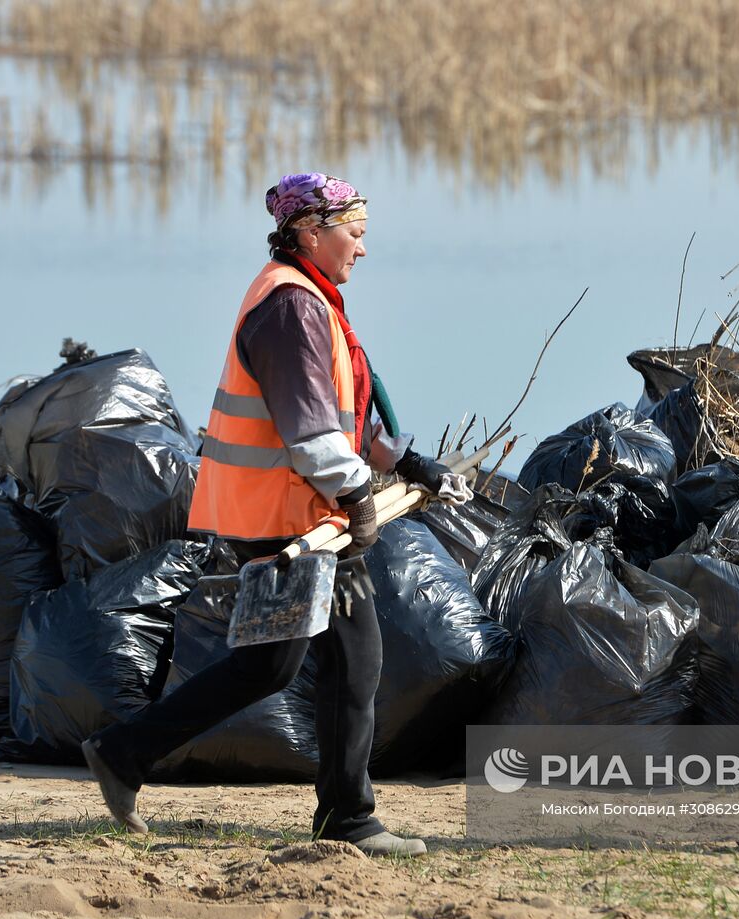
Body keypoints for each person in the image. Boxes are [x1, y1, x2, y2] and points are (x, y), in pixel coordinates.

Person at [81, 172, 469, 858]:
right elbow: (310, 434)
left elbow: (349, 414)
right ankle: (347, 818)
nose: (363, 248)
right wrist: (356, 496)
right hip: (294, 518)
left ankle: (125, 752)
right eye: (355, 233)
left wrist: (407, 464)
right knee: (348, 659)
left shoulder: (309, 297)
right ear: (309, 231)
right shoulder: (291, 308)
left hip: (296, 511)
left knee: (276, 665)